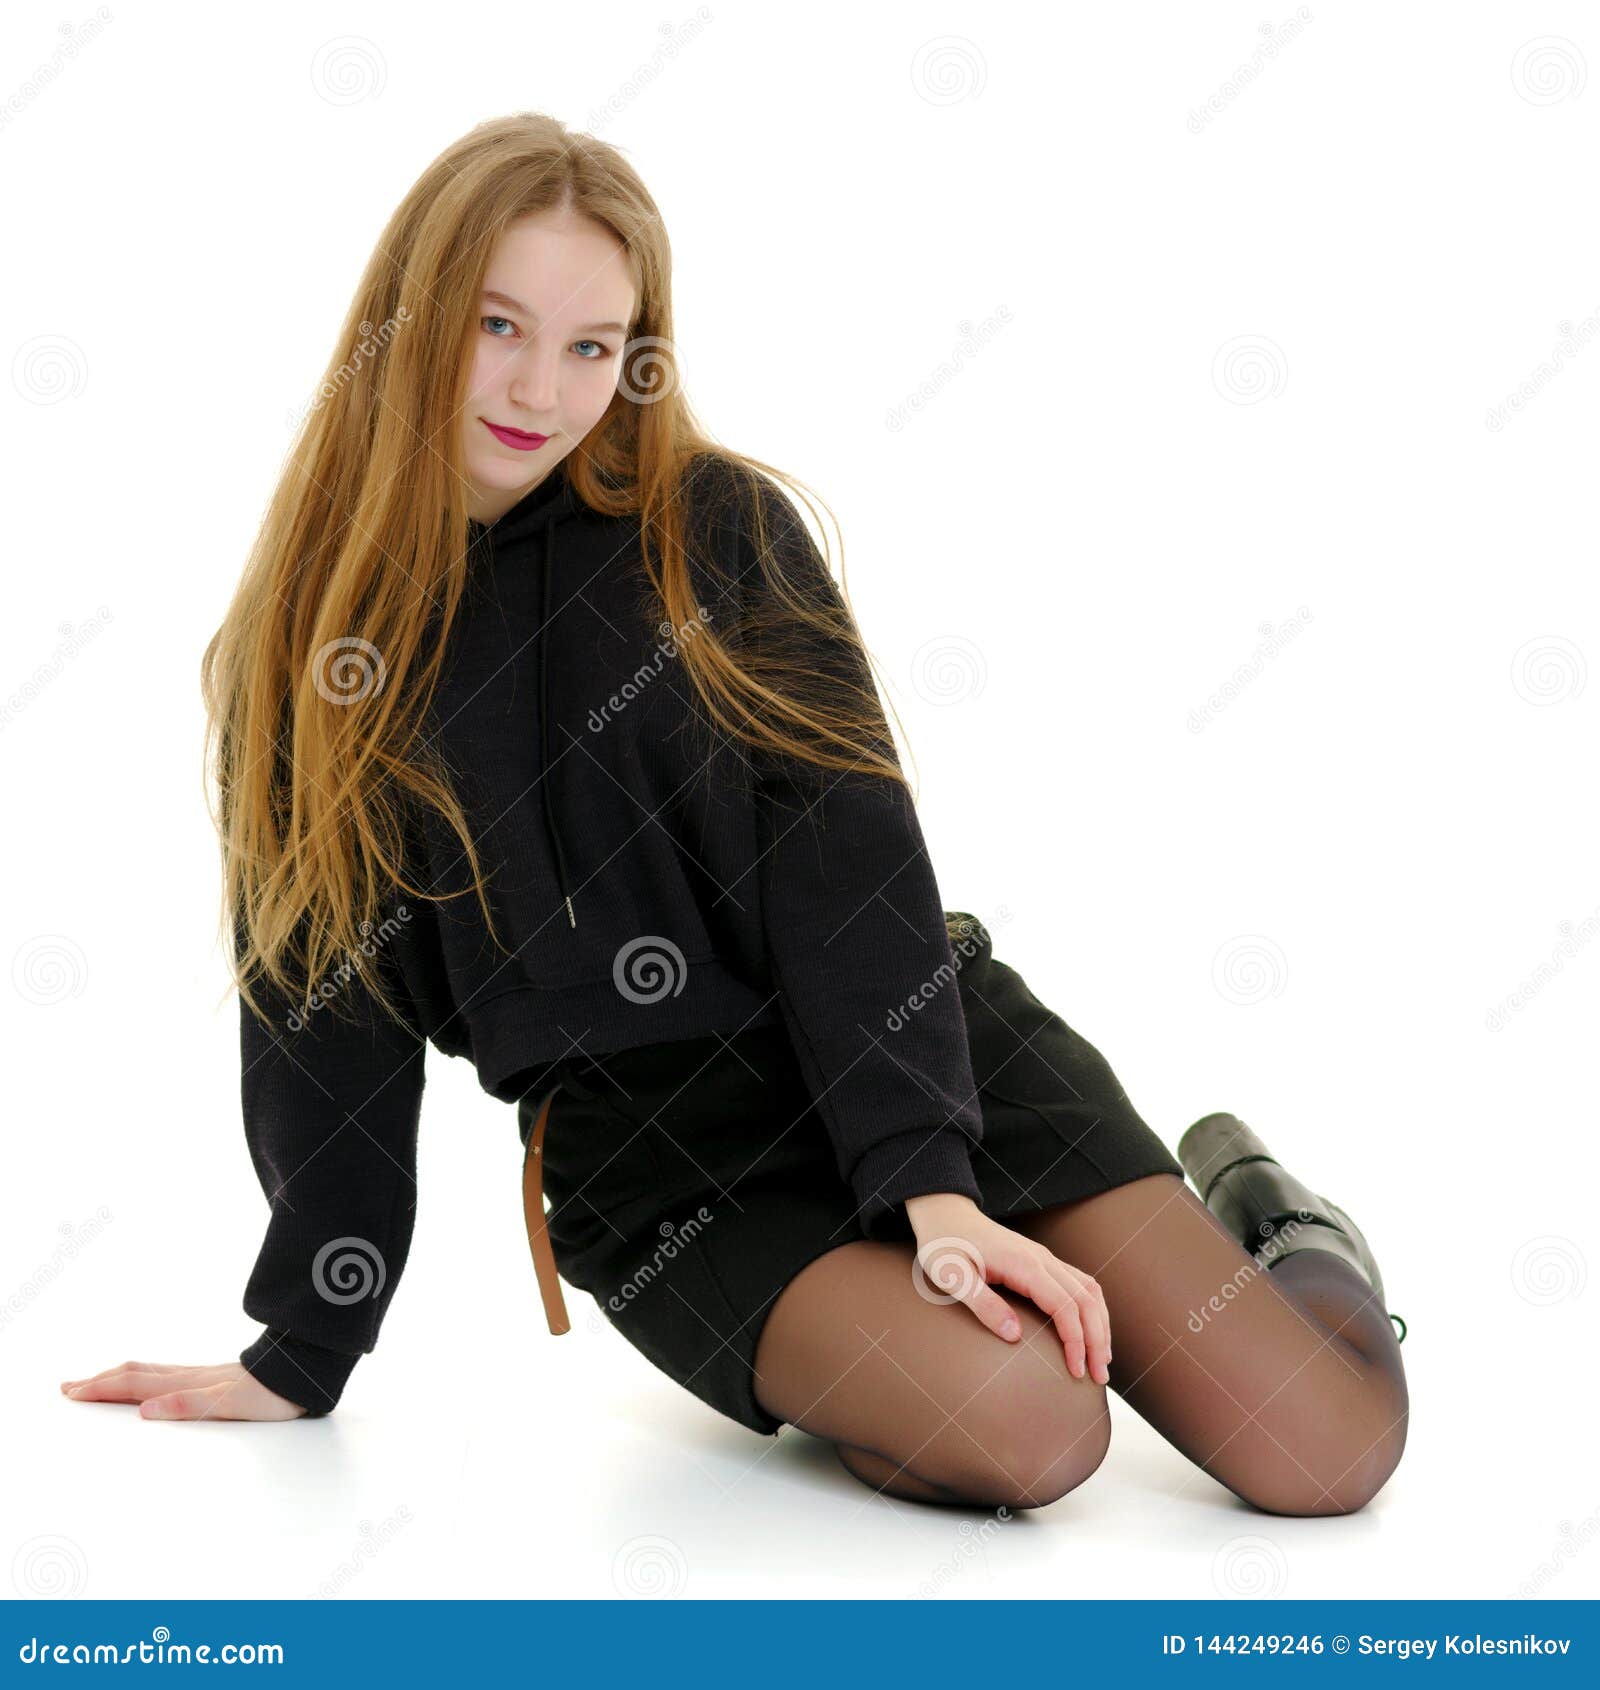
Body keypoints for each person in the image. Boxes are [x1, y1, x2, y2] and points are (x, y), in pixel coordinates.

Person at [60, 112, 1408, 1515]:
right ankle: (875, 1325)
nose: (540, 386)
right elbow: (319, 1005)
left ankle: (1277, 1220)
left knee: (1322, 1449)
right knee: (1035, 1427)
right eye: (497, 325)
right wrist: (304, 1341)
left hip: (917, 1044)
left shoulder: (716, 529)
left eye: (592, 345)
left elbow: (851, 859)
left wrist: (932, 1182)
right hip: (673, 1160)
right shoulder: (306, 648)